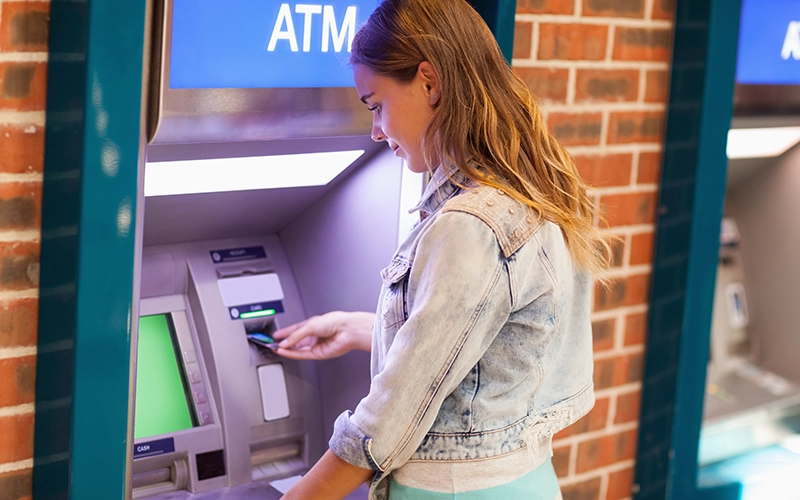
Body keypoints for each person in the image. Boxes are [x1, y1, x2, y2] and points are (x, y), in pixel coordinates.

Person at [273, 0, 614, 498]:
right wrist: (356, 328)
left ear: (430, 82)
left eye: (376, 104)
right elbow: (491, 345)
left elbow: (385, 425)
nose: (375, 129)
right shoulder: (536, 189)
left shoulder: (470, 224)